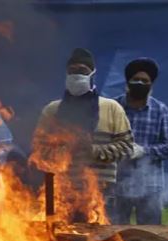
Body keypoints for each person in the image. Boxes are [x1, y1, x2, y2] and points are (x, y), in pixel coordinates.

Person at [32, 48, 133, 223]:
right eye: (72, 71)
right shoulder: (52, 111)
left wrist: (93, 150)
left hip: (102, 195)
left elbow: (126, 147)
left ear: (92, 74)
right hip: (62, 194)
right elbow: (38, 151)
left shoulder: (111, 108)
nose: (77, 75)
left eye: (82, 71)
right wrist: (65, 151)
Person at [113, 58, 168, 225]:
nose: (140, 83)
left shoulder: (160, 110)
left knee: (150, 237)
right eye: (136, 80)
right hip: (117, 185)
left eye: (145, 81)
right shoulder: (114, 107)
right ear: (127, 82)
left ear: (151, 84)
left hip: (150, 186)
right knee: (113, 237)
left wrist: (144, 151)